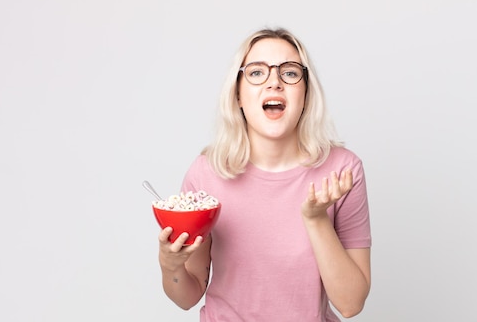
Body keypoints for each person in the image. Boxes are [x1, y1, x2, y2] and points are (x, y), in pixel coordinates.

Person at [158, 27, 371, 322]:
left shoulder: (342, 171)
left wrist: (316, 219)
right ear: (238, 95)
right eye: (257, 73)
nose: (274, 83)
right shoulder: (206, 173)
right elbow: (187, 296)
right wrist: (171, 266)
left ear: (306, 94)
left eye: (290, 73)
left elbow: (351, 304)